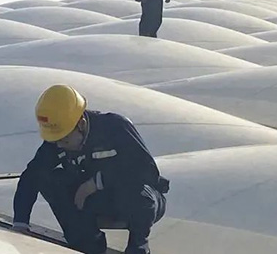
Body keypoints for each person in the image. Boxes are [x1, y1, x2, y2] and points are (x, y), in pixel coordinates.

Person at [12, 84, 169, 254]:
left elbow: (146, 171)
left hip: (137, 202)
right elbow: (32, 175)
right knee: (51, 179)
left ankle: (137, 247)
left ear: (81, 124)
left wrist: (97, 182)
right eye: (56, 140)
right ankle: (87, 243)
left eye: (64, 140)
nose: (59, 145)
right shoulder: (57, 140)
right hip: (95, 203)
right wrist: (20, 222)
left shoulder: (115, 127)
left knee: (137, 190)